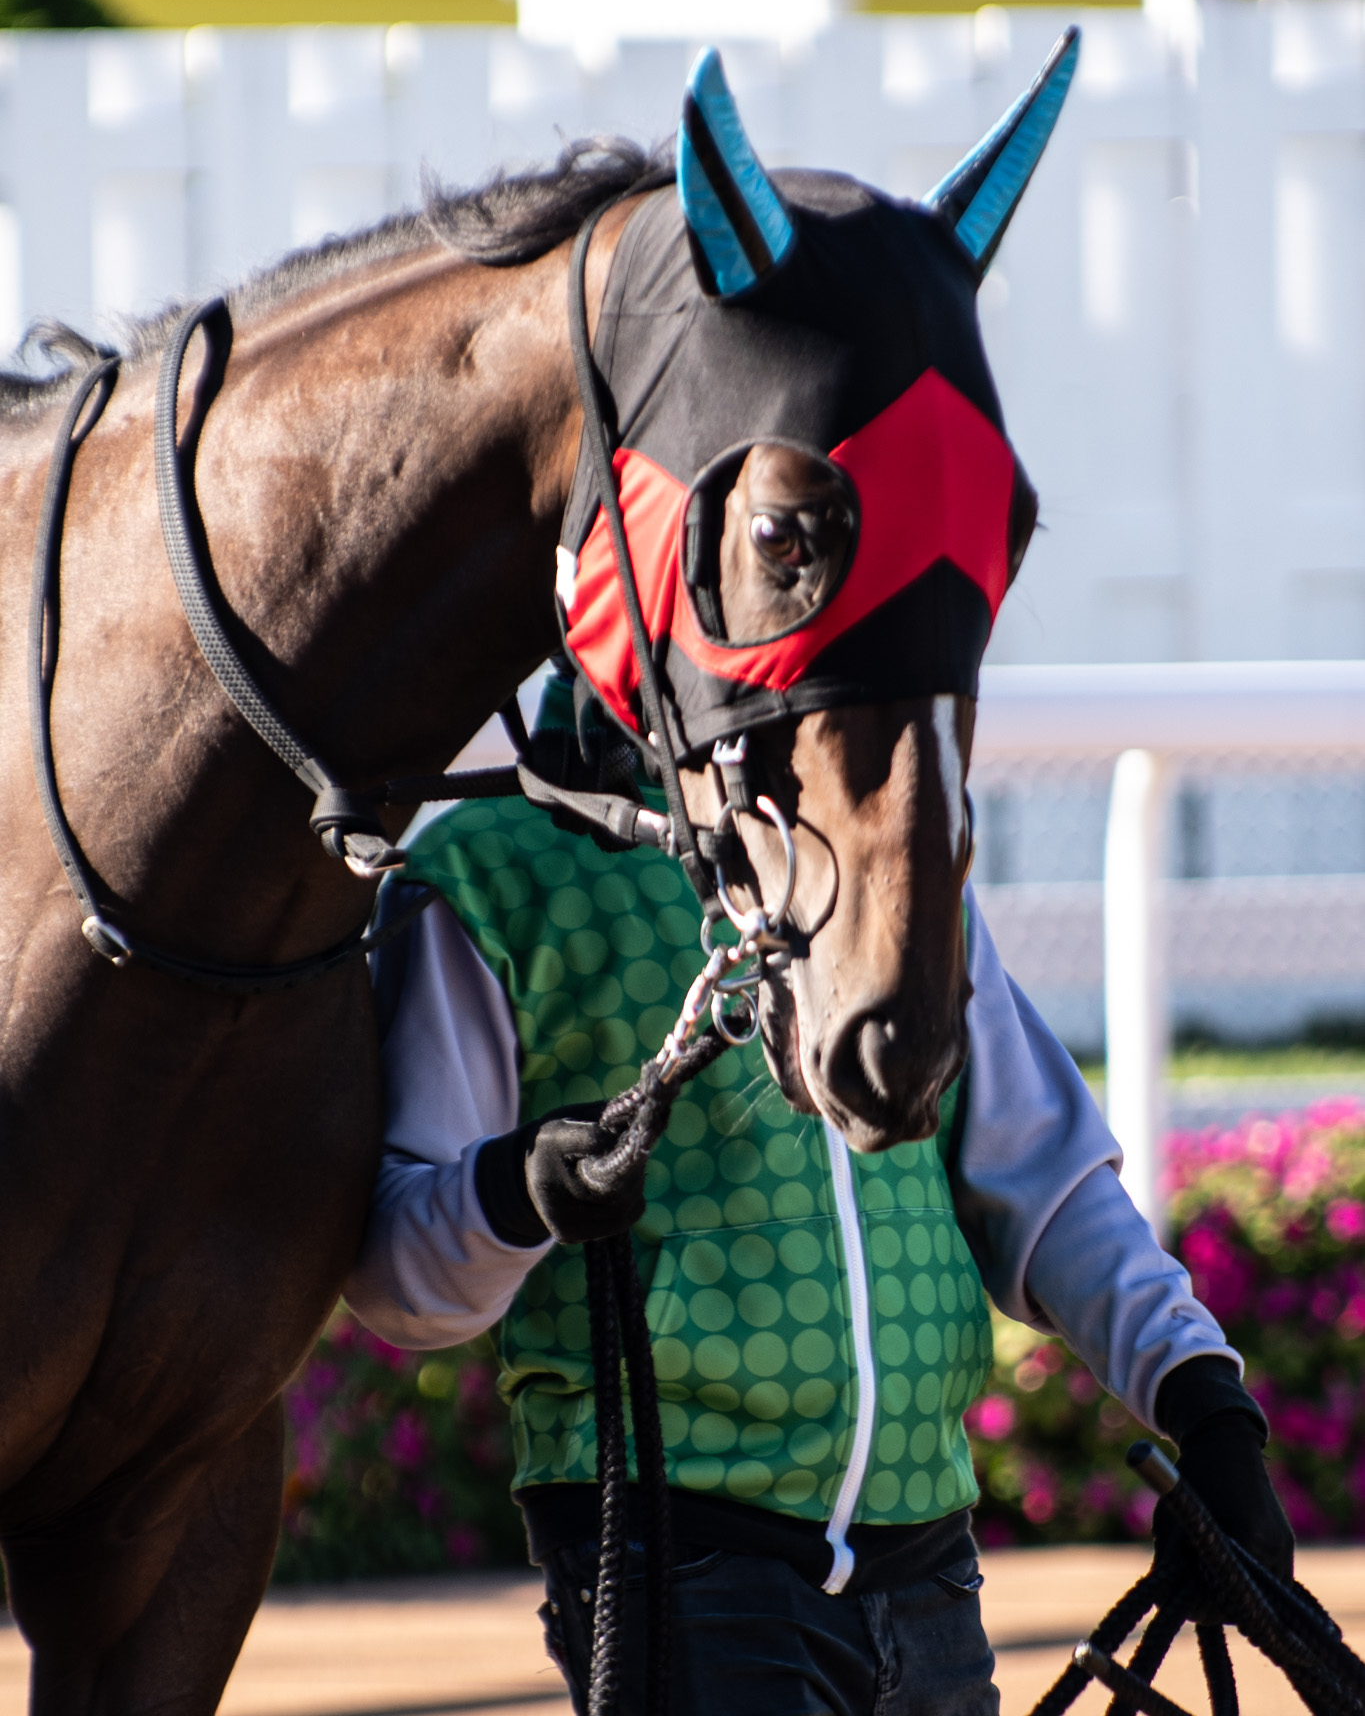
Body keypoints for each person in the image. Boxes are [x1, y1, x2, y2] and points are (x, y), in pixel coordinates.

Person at [345, 669, 1292, 1716]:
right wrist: (517, 1192)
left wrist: (1202, 1400)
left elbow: (1044, 1176)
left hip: (929, 1563)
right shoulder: (487, 875)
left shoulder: (876, 841)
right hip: (680, 1559)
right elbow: (400, 1280)